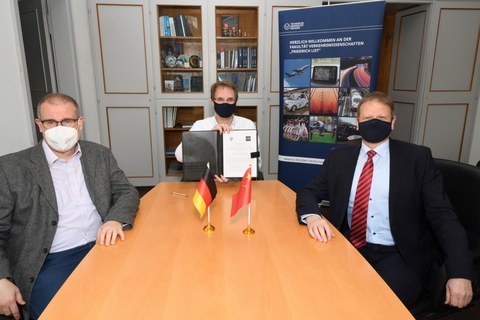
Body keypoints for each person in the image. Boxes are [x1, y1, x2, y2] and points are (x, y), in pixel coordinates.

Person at [296, 91, 473, 308]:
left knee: (375, 307)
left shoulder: (417, 159)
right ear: (357, 123)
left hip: (399, 254)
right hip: (350, 246)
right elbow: (308, 192)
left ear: (393, 122)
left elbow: (443, 216)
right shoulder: (338, 159)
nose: (374, 123)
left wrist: (460, 273)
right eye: (368, 118)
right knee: (321, 296)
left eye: (381, 118)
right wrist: (313, 217)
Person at [0, 93, 140, 320]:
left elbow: (126, 191)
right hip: (49, 262)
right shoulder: (10, 168)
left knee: (138, 301)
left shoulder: (99, 154)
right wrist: (1, 279)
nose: (59, 128)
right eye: (51, 122)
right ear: (40, 126)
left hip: (103, 248)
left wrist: (114, 218)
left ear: (80, 123)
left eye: (67, 121)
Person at [175, 80, 258, 183]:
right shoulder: (200, 125)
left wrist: (235, 177)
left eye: (230, 99)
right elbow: (179, 155)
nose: (225, 103)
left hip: (239, 183)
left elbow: (256, 161)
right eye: (220, 99)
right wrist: (208, 136)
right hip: (207, 183)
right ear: (212, 102)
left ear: (236, 101)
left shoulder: (247, 125)